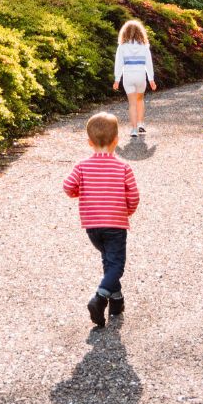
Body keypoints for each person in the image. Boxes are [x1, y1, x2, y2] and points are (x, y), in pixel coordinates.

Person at [63, 111, 140, 328]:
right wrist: (127, 212)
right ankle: (100, 297)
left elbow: (68, 187)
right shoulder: (123, 167)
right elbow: (133, 196)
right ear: (116, 140)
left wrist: (82, 192)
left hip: (92, 226)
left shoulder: (81, 166)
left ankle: (116, 301)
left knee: (109, 260)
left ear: (89, 142)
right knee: (116, 265)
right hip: (115, 224)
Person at [112, 19, 156, 138]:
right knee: (140, 100)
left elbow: (119, 64)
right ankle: (141, 123)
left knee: (132, 104)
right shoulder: (144, 46)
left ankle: (134, 129)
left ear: (124, 33)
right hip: (141, 76)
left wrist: (117, 79)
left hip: (128, 76)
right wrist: (151, 79)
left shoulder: (122, 47)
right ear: (140, 33)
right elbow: (149, 63)